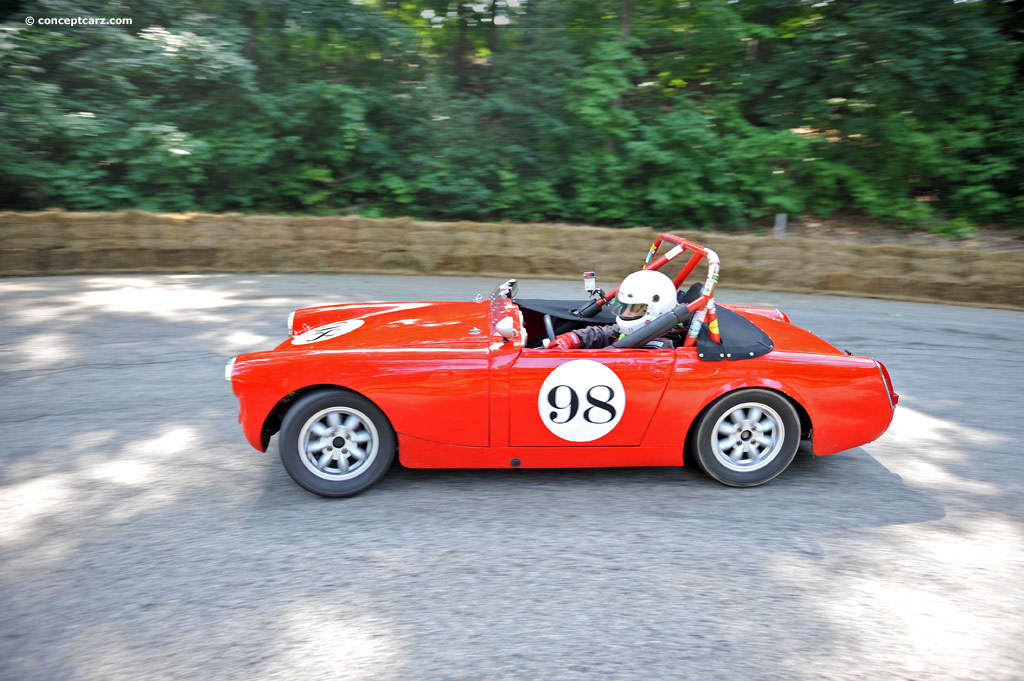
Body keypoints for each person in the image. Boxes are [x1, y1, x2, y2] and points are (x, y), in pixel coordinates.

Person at [549, 269, 680, 349]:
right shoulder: (643, 331)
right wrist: (573, 338)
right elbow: (607, 332)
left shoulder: (658, 350)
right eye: (623, 306)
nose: (625, 313)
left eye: (634, 308)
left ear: (658, 310)